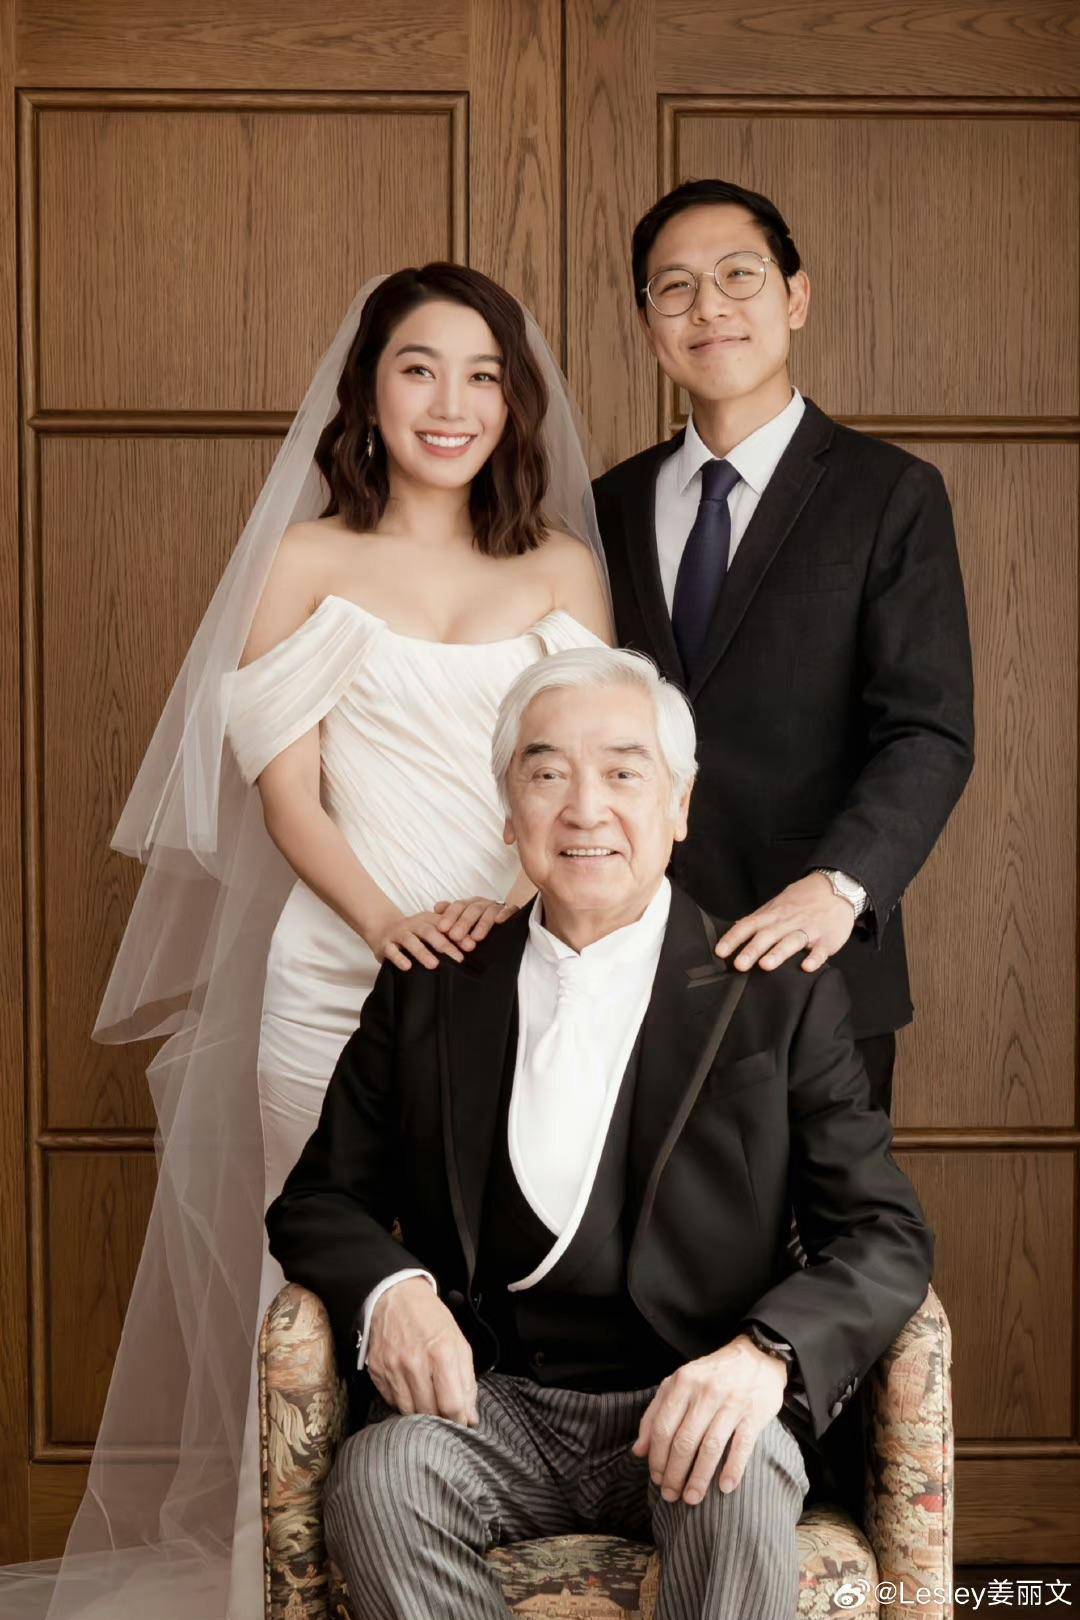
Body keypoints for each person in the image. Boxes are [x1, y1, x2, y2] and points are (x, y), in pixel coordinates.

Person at [0, 268, 609, 1620]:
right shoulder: (308, 561)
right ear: (367, 392)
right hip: (337, 972)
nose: (450, 403)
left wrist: (506, 913)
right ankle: (281, 1587)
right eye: (418, 368)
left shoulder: (563, 568)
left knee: (499, 1271)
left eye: (483, 376)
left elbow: (592, 778)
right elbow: (289, 797)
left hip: (518, 973)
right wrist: (389, 924)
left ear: (514, 403)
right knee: (319, 1288)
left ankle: (448, 1561)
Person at [267, 644, 934, 1620]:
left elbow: (884, 1233)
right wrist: (391, 1290)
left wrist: (764, 1357)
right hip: (494, 1404)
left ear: (679, 805)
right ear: (508, 810)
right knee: (381, 1479)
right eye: (547, 775)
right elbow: (318, 1199)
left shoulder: (775, 995)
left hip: (698, 1390)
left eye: (624, 774)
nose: (584, 810)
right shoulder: (431, 987)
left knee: (736, 1467)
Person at [592, 179, 975, 1117]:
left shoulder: (890, 493)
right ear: (647, 324)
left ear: (795, 297)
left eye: (739, 275)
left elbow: (928, 731)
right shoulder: (607, 506)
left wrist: (840, 887)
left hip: (818, 963)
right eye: (674, 287)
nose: (708, 307)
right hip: (625, 960)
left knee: (829, 1214)